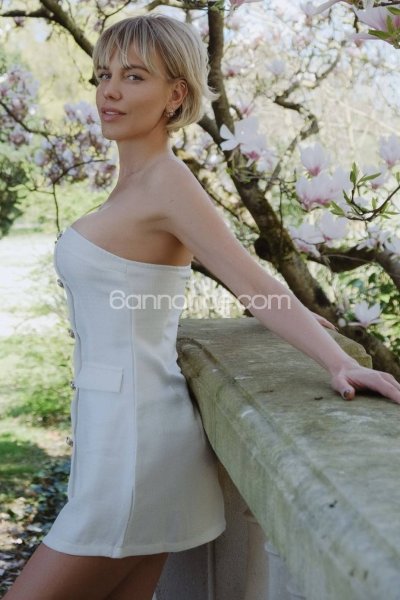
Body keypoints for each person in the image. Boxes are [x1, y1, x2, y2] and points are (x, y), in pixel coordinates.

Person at [4, 12, 400, 600]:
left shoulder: (169, 184)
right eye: (103, 74)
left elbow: (250, 280)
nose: (110, 91)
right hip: (111, 437)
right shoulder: (132, 185)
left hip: (136, 448)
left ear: (176, 94)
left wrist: (337, 360)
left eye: (134, 76)